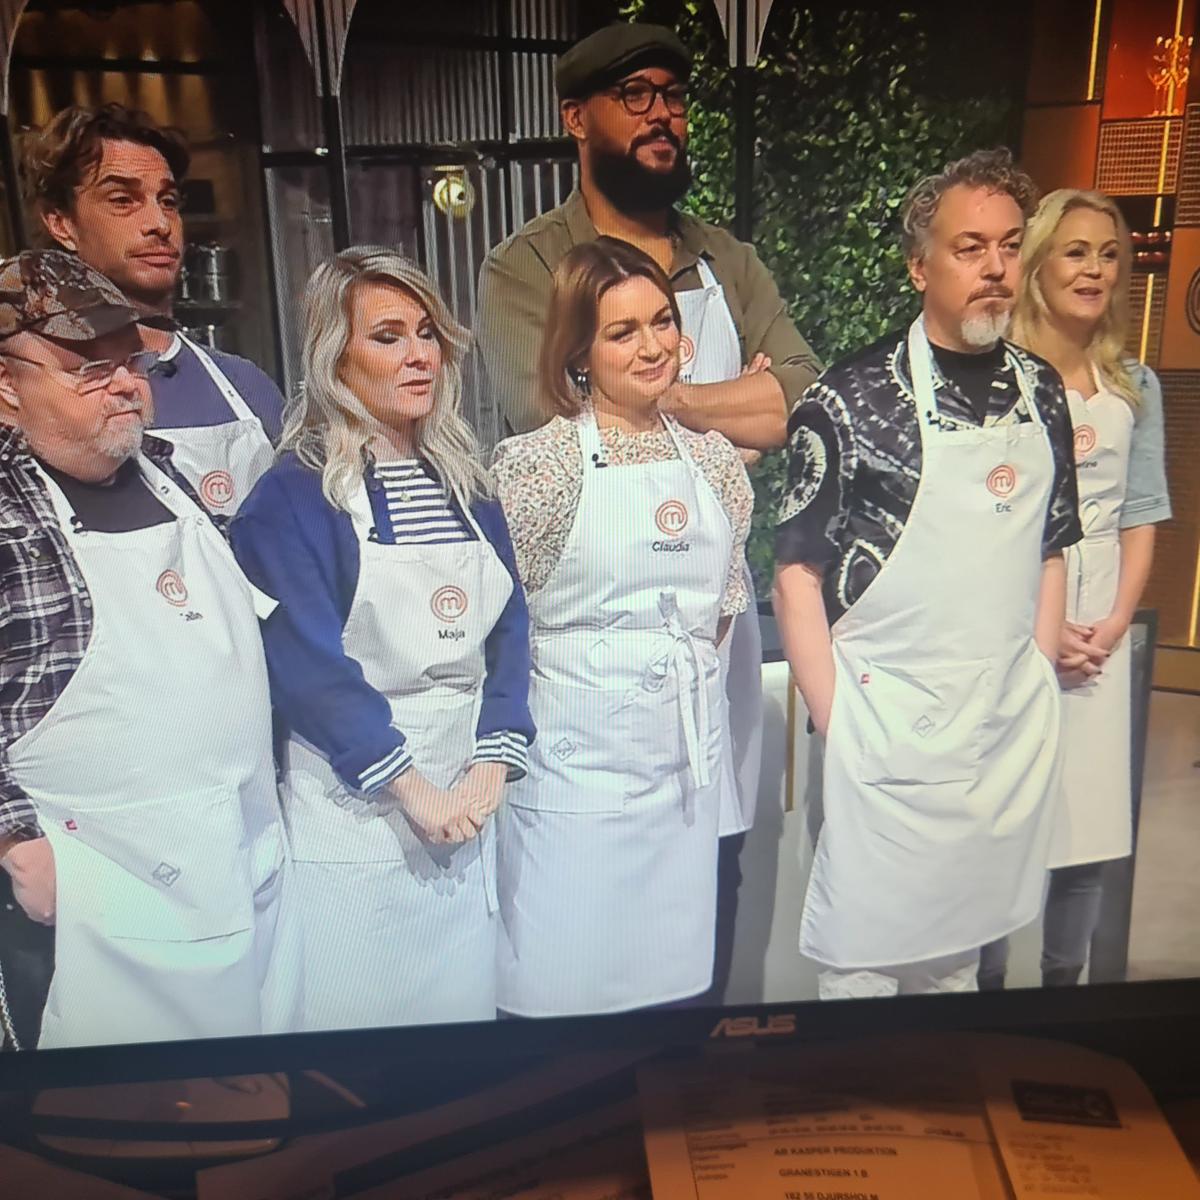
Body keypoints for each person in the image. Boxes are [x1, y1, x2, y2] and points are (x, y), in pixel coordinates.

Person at [477, 21, 819, 1001]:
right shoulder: (526, 264)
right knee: (570, 960)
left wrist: (671, 407)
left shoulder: (725, 259)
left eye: (672, 95)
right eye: (635, 97)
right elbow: (550, 416)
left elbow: (799, 399)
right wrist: (728, 402)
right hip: (582, 720)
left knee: (709, 870)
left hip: (703, 656)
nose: (661, 113)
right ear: (577, 118)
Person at [773, 148, 1084, 999]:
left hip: (996, 734)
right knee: (860, 973)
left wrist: (1036, 678)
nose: (995, 268)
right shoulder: (849, 399)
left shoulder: (1043, 393)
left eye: (1009, 246)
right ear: (919, 266)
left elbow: (1052, 546)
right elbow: (796, 575)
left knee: (956, 971)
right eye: (969, 248)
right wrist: (842, 725)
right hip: (882, 732)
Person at [0, 251, 296, 1049]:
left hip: (247, 876)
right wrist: (13, 840)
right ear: (6, 385)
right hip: (102, 912)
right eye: (89, 371)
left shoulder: (167, 475)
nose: (126, 386)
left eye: (128, 362)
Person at [231, 248, 533, 1031]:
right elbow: (308, 670)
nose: (419, 355)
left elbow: (510, 630)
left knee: (463, 1049)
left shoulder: (466, 485)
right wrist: (410, 788)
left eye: (427, 333)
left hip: (465, 805)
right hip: (357, 814)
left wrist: (494, 758)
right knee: (359, 1050)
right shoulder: (290, 499)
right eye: (388, 336)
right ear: (336, 357)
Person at [492, 237, 753, 1016]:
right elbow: (502, 632)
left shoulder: (716, 465)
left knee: (674, 1017)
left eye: (662, 321)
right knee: (562, 1009)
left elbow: (719, 617)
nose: (652, 346)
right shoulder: (538, 466)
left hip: (679, 792)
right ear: (579, 351)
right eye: (622, 331)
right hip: (575, 786)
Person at [977, 190, 1172, 991]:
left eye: (1109, 254)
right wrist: (1039, 624)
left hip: (1099, 630)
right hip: (1010, 614)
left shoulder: (1134, 383)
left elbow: (1142, 512)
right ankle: (982, 1007)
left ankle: (1063, 1001)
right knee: (1001, 824)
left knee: (1084, 833)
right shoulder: (994, 378)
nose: (1095, 269)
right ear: (1038, 264)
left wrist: (1114, 624)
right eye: (1076, 251)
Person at [21, 102, 283, 520]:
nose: (159, 223)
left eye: (168, 200)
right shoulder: (38, 398)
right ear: (61, 224)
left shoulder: (247, 387)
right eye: (123, 199)